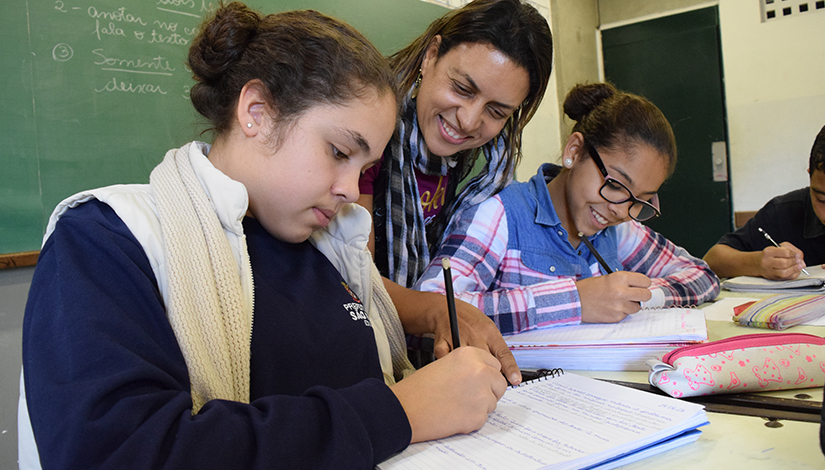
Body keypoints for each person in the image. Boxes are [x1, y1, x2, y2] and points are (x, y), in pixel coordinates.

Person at [18, 4, 514, 469]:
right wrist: (400, 412)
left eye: (365, 167)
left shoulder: (334, 253)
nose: (348, 189)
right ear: (256, 111)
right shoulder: (106, 239)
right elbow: (119, 452)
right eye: (340, 152)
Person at [415, 83, 720, 334]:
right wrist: (575, 301)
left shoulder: (617, 226)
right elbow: (433, 306)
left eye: (639, 201)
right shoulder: (500, 215)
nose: (621, 210)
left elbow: (702, 276)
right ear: (574, 150)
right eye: (616, 185)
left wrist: (639, 295)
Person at [358, 0, 554, 289]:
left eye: (497, 112)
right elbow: (356, 280)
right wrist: (434, 312)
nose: (468, 121)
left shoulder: (486, 165)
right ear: (431, 55)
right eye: (462, 89)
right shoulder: (368, 129)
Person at [703, 124, 825, 281]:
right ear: (810, 176)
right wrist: (757, 263)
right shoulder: (785, 213)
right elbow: (712, 261)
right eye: (822, 199)